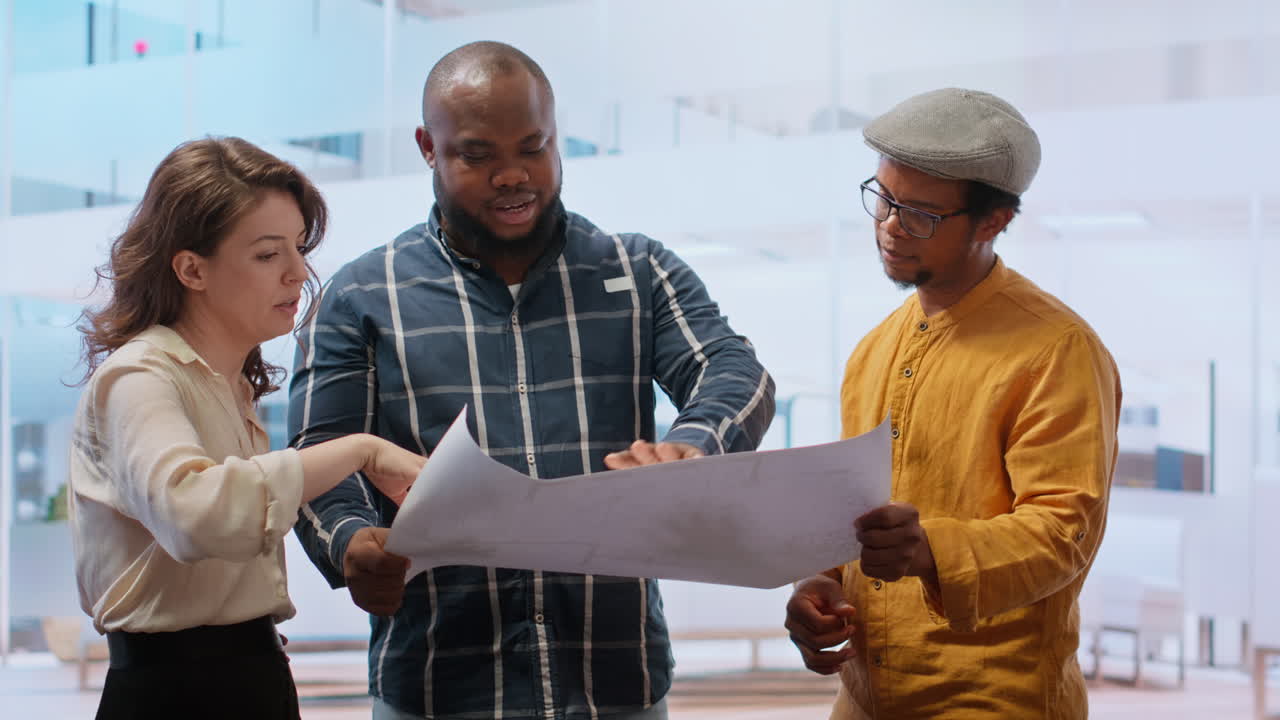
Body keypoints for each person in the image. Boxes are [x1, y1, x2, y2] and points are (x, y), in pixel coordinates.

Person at [288, 41, 775, 720]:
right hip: (439, 686)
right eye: (478, 155)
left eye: (533, 146)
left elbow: (733, 371)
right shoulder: (363, 294)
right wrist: (347, 542)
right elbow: (320, 456)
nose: (513, 175)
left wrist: (690, 451)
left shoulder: (638, 271)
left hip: (614, 685)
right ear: (429, 147)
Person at [784, 89, 1122, 719]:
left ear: (993, 222)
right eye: (882, 197)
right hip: (863, 698)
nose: (889, 225)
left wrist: (929, 551)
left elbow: (1062, 533)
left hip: (993, 701)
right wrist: (820, 584)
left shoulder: (1056, 350)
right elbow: (852, 513)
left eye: (920, 214)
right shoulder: (872, 351)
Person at [69, 137, 426, 720]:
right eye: (267, 254)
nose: (297, 273)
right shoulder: (138, 378)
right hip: (175, 691)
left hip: (250, 674)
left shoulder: (229, 386)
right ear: (191, 268)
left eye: (298, 247)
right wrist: (360, 450)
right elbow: (197, 516)